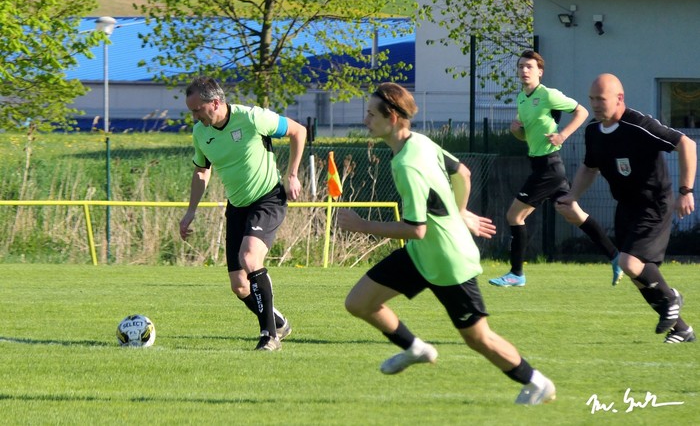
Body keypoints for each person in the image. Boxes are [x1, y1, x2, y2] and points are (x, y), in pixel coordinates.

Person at [337, 82, 556, 405]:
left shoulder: (407, 164)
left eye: (371, 114)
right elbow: (463, 173)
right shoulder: (420, 142)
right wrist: (460, 211)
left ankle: (537, 382)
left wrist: (362, 225)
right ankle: (416, 349)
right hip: (422, 255)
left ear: (393, 118)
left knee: (478, 338)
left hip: (447, 261)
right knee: (359, 303)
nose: (365, 120)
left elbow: (416, 229)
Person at [556, 73, 696, 343]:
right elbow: (589, 167)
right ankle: (681, 328)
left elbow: (686, 144)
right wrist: (572, 196)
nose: (595, 105)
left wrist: (686, 191)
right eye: (591, 99)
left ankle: (671, 297)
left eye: (601, 99)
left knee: (629, 263)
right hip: (625, 206)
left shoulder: (639, 125)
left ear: (619, 98)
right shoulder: (593, 131)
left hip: (653, 204)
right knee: (638, 275)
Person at [179, 76, 306, 351]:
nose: (195, 116)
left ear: (215, 103)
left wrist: (292, 174)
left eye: (198, 110)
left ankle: (269, 336)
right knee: (239, 285)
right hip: (237, 206)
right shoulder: (200, 133)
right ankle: (278, 322)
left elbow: (298, 131)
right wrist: (190, 211)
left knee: (250, 258)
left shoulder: (252, 118)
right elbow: (201, 171)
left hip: (268, 198)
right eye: (192, 111)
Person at [489, 50, 622, 288]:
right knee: (572, 213)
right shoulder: (522, 98)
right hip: (543, 166)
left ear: (540, 72)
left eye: (529, 66)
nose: (524, 70)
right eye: (521, 66)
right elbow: (526, 137)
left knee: (514, 216)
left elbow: (582, 111)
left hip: (548, 168)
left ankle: (516, 273)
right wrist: (516, 131)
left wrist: (563, 135)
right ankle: (615, 257)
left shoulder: (548, 95)